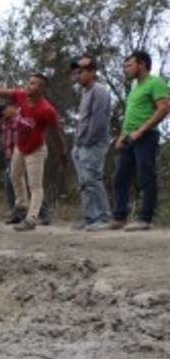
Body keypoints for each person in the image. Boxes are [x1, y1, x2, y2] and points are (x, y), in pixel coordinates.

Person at [0, 66, 67, 231]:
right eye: (29, 82)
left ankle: (31, 219)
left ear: (41, 88)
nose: (28, 86)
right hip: (20, 147)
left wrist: (62, 153)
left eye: (33, 84)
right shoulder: (21, 96)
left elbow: (56, 134)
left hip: (36, 150)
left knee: (35, 186)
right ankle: (21, 206)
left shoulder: (47, 110)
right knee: (14, 176)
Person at [109, 49, 169, 231]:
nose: (126, 69)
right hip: (129, 138)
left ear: (142, 64)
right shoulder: (135, 88)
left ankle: (145, 219)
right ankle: (119, 217)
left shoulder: (156, 82)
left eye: (129, 65)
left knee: (146, 176)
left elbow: (164, 108)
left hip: (146, 137)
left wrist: (142, 130)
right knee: (119, 177)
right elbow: (130, 115)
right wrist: (122, 136)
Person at [69, 56, 113, 231]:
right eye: (75, 73)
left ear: (92, 72)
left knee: (92, 179)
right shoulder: (85, 92)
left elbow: (99, 120)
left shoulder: (99, 90)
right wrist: (77, 144)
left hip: (93, 144)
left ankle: (103, 218)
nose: (77, 76)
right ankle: (90, 218)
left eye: (81, 72)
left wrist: (87, 142)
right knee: (84, 182)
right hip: (80, 145)